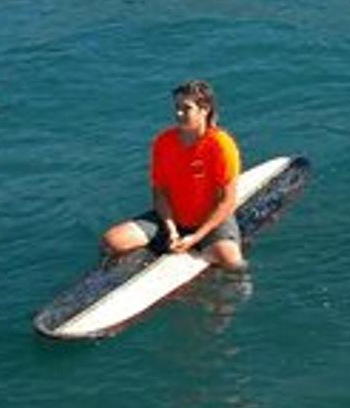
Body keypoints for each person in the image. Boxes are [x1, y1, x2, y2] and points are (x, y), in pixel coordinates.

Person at [102, 80, 245, 270]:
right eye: (177, 107)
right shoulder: (163, 142)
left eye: (186, 108)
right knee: (112, 241)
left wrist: (196, 237)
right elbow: (159, 193)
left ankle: (206, 255)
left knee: (232, 262)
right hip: (172, 220)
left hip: (209, 222)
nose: (179, 113)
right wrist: (172, 231)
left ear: (205, 109)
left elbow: (227, 202)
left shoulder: (222, 146)